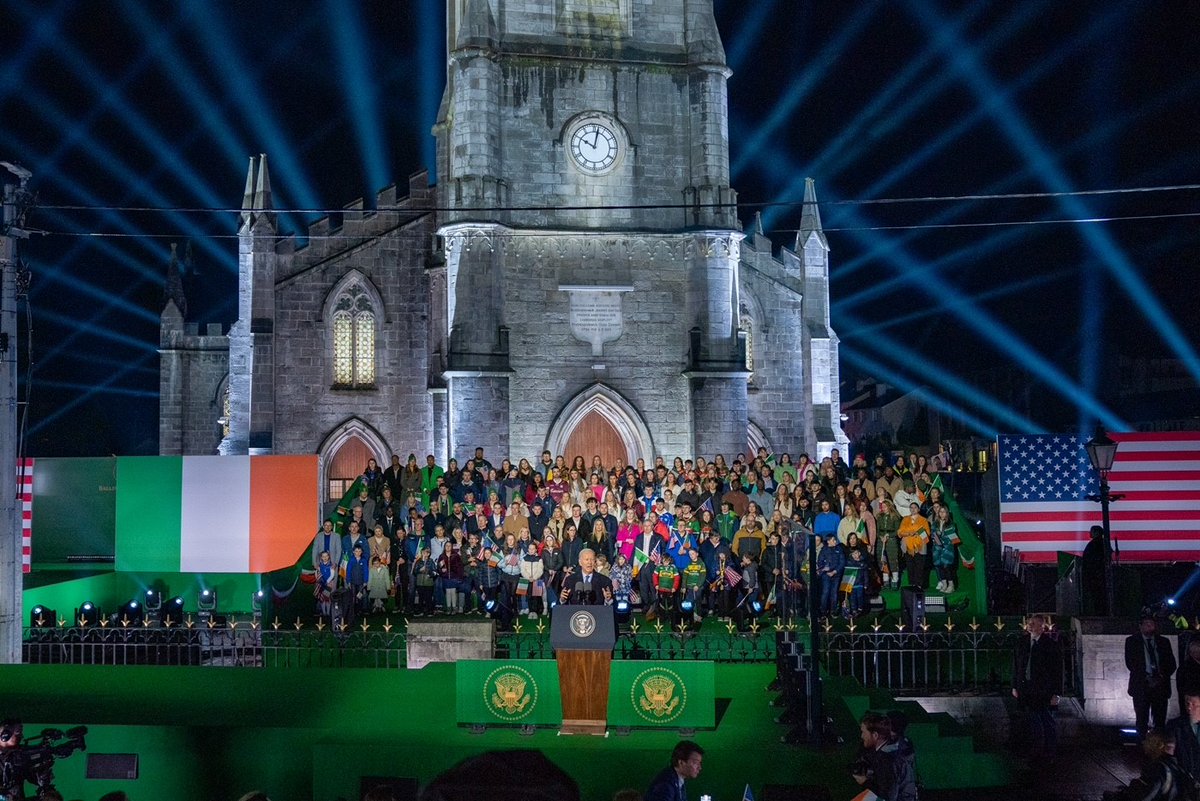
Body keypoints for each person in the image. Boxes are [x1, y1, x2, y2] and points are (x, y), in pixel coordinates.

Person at [1012, 613, 1064, 755]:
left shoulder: (1050, 645)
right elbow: (1017, 665)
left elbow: (1057, 670)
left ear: (1042, 627)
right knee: (1031, 721)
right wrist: (1015, 686)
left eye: (1034, 624)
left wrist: (1056, 693)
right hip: (1026, 688)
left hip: (1043, 690)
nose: (1030, 626)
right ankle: (1034, 750)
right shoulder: (1022, 642)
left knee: (1046, 721)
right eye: (1029, 623)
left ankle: (1048, 752)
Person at [1126, 615, 1178, 741]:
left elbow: (1171, 663)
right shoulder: (1132, 641)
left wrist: (1161, 676)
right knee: (1141, 718)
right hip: (1141, 686)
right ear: (1141, 626)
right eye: (1147, 624)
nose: (1150, 627)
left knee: (1159, 718)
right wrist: (1146, 677)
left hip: (1160, 685)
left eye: (1152, 624)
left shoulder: (1163, 642)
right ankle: (1142, 744)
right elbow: (1131, 663)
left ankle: (1158, 745)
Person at [1169, 691, 1200, 780]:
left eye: (1194, 705)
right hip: (1184, 779)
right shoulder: (1175, 726)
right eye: (1187, 704)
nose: (1189, 708)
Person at [1080, 524, 1110, 616]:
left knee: (1098, 597)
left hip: (1096, 576)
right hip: (1096, 575)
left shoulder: (1096, 544)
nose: (1089, 533)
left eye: (1091, 531)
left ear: (1096, 532)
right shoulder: (1100, 543)